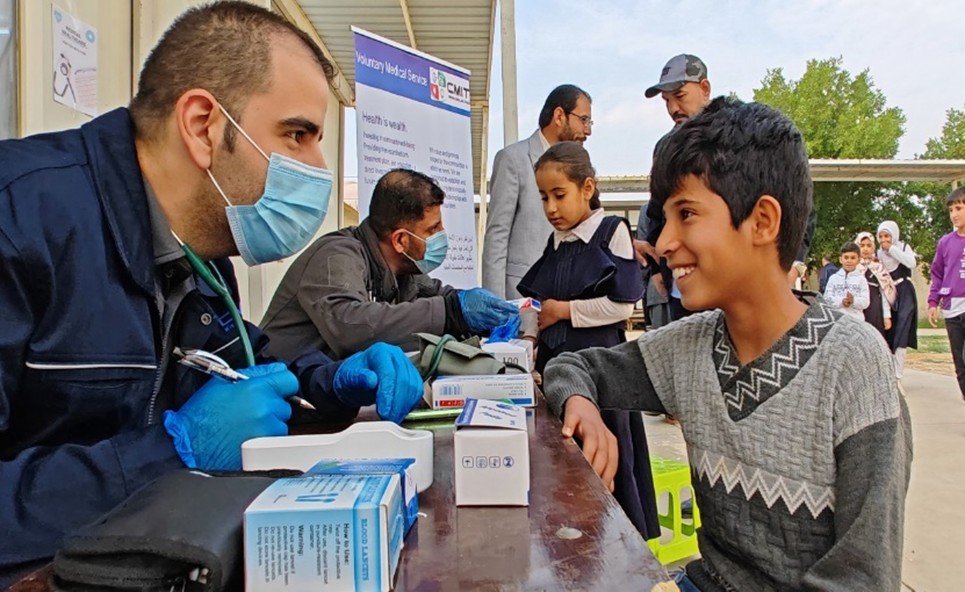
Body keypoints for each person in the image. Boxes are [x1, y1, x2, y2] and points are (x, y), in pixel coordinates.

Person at [0, 3, 423, 585]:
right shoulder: (18, 218)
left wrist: (333, 383)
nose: (319, 167)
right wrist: (171, 453)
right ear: (204, 125)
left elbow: (246, 373)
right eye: (298, 134)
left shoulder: (205, 260)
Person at [543, 97, 912, 591]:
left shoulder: (853, 365)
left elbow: (861, 579)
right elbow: (570, 366)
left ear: (762, 221)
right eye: (665, 219)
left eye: (687, 213)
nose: (666, 241)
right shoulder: (688, 347)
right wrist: (581, 401)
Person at [516, 141, 655, 538]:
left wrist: (564, 311)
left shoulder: (612, 232)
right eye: (544, 198)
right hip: (556, 373)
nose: (551, 208)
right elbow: (539, 304)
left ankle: (618, 542)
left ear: (588, 188)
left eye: (559, 195)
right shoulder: (556, 242)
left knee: (607, 461)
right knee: (565, 464)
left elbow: (623, 305)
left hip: (601, 371)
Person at [261, 168, 518, 360]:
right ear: (400, 240)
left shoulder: (404, 270)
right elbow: (352, 328)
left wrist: (484, 316)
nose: (443, 233)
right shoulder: (336, 256)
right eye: (433, 229)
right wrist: (453, 313)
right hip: (280, 399)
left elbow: (443, 297)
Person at [634, 54, 815, 293]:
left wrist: (794, 264)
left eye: (679, 96)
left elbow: (797, 201)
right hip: (682, 285)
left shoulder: (745, 133)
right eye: (666, 101)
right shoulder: (665, 148)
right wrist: (659, 270)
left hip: (745, 283)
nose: (673, 108)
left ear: (705, 88)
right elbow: (657, 210)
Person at [483, 84, 593, 299]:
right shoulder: (513, 159)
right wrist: (495, 306)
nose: (588, 130)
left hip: (568, 301)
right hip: (522, 301)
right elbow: (497, 235)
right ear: (559, 116)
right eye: (583, 119)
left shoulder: (581, 166)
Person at [927, 186, 965, 400]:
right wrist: (933, 302)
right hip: (952, 310)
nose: (955, 214)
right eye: (951, 210)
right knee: (961, 366)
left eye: (959, 208)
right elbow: (937, 273)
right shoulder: (945, 242)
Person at [878, 220, 919, 385]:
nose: (883, 240)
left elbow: (911, 263)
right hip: (887, 292)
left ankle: (898, 374)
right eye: (880, 236)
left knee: (902, 331)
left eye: (887, 235)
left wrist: (892, 249)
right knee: (890, 331)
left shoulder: (902, 247)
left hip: (904, 292)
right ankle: (888, 372)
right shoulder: (878, 254)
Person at [856, 231, 896, 340]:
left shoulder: (878, 267)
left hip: (874, 308)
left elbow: (885, 292)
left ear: (874, 247)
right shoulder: (853, 268)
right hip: (857, 308)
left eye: (869, 245)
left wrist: (886, 316)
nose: (865, 249)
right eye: (862, 245)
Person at [823, 242, 870, 319]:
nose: (849, 261)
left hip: (856, 321)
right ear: (840, 259)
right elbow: (826, 299)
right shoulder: (833, 278)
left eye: (853, 258)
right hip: (837, 320)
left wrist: (853, 301)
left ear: (858, 260)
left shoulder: (862, 280)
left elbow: (866, 302)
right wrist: (841, 301)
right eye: (846, 257)